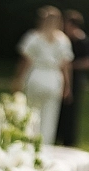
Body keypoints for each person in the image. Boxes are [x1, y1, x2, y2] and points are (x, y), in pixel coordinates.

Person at [13, 6, 73, 145]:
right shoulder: (63, 40)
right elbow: (65, 66)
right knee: (50, 117)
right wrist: (67, 85)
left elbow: (25, 61)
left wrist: (18, 79)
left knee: (32, 112)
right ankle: (45, 145)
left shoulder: (33, 37)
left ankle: (29, 143)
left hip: (37, 75)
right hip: (53, 78)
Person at [56, 10, 89, 146]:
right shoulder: (64, 39)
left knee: (71, 110)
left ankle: (68, 140)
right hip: (62, 78)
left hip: (76, 80)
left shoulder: (82, 40)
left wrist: (71, 65)